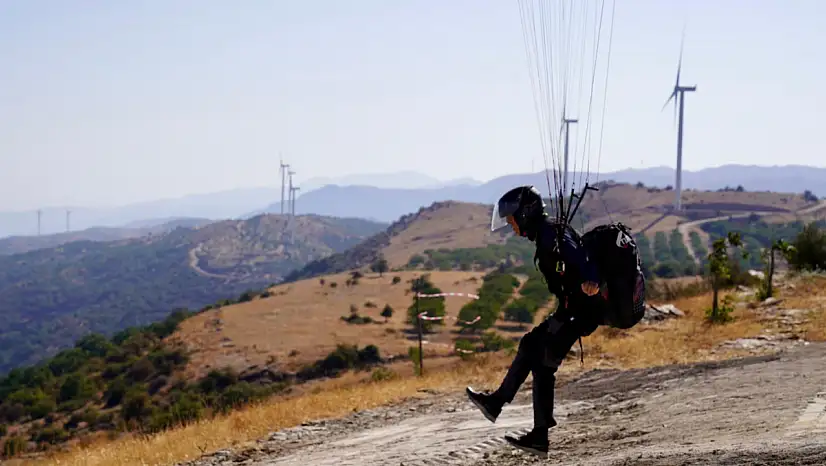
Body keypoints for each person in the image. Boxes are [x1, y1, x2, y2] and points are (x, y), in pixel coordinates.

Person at [466, 185, 646, 457]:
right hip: (573, 310)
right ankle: (501, 408)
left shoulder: (551, 233)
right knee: (531, 348)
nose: (510, 225)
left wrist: (593, 280)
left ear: (525, 214)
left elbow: (582, 258)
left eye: (512, 219)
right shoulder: (546, 234)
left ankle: (532, 430)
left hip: (580, 312)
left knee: (543, 361)